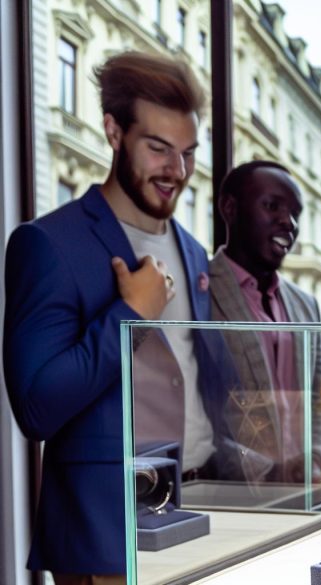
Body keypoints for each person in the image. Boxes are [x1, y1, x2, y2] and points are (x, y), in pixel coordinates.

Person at [3, 52, 236, 583]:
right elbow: (36, 409)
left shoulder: (196, 253)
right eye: (158, 149)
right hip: (104, 537)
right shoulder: (48, 244)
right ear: (113, 132)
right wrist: (130, 313)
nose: (176, 172)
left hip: (197, 515)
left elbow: (196, 383)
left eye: (187, 153)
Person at [210, 160, 321, 483]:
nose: (288, 222)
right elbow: (194, 414)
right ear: (229, 208)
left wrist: (315, 459)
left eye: (295, 214)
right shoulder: (201, 292)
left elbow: (317, 400)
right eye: (272, 206)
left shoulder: (307, 306)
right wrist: (264, 471)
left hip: (302, 493)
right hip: (230, 496)